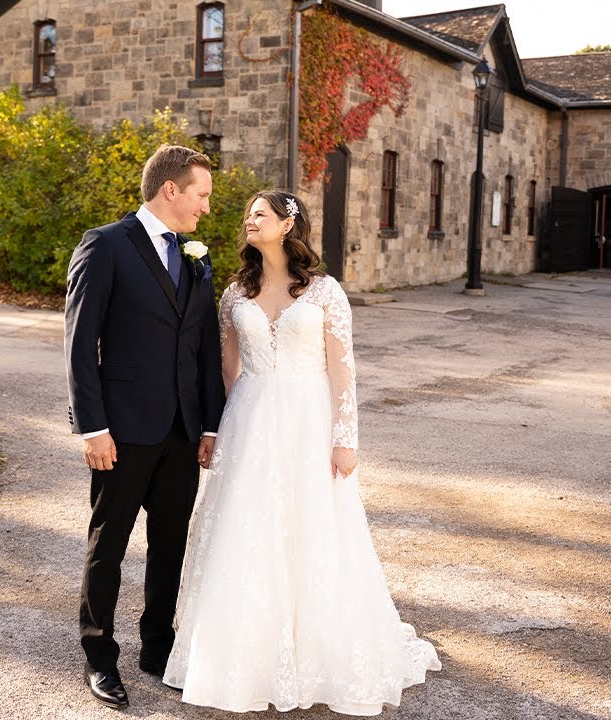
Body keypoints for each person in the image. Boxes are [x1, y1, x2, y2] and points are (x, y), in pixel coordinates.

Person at [163, 190, 441, 715]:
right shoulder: (234, 292)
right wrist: (217, 430)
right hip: (249, 418)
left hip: (308, 419)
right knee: (245, 527)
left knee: (311, 527)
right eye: (247, 214)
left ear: (288, 224)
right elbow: (226, 368)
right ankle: (238, 654)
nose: (249, 220)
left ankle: (315, 650)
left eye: (259, 214)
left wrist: (345, 437)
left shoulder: (325, 292)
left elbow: (342, 368)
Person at [64, 144, 226, 709]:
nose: (206, 207)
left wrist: (210, 424)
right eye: (201, 195)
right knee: (108, 544)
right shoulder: (104, 245)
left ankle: (157, 647)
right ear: (172, 190)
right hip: (123, 429)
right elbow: (81, 344)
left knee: (170, 544)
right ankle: (99, 654)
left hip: (182, 430)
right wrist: (92, 428)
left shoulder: (196, 255)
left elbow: (204, 344)